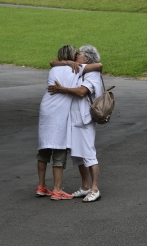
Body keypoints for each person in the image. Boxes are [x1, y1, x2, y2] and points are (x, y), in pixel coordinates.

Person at [36, 45, 102, 200]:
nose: (76, 57)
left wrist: (61, 89)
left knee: (87, 153)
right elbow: (54, 62)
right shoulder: (76, 68)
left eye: (79, 54)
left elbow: (81, 92)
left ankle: (94, 188)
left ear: (86, 58)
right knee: (70, 153)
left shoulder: (87, 72)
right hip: (68, 118)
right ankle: (78, 187)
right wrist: (68, 64)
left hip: (77, 117)